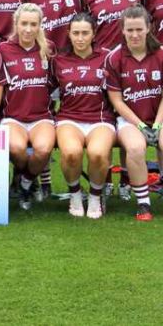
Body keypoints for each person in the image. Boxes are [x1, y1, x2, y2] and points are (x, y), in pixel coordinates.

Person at [105, 6, 163, 221]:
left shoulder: (162, 54)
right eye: (129, 30)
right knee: (134, 147)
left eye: (139, 29)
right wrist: (141, 126)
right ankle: (143, 203)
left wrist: (157, 125)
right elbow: (116, 101)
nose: (134, 34)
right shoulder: (114, 58)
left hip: (162, 117)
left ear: (149, 28)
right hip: (130, 120)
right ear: (122, 30)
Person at [51, 13, 115, 219]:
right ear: (68, 34)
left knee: (97, 153)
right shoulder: (58, 60)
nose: (80, 38)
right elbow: (47, 91)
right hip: (69, 118)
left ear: (93, 34)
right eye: (76, 33)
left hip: (100, 119)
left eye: (85, 33)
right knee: (71, 153)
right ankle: (75, 193)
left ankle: (96, 195)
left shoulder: (107, 57)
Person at [0, 4, 56, 210]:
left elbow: (56, 84)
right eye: (24, 24)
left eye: (33, 24)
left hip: (41, 116)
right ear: (16, 24)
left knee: (43, 150)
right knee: (16, 149)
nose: (28, 29)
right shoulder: (3, 49)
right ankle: (26, 181)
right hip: (13, 116)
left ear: (40, 25)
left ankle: (25, 183)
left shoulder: (48, 49)